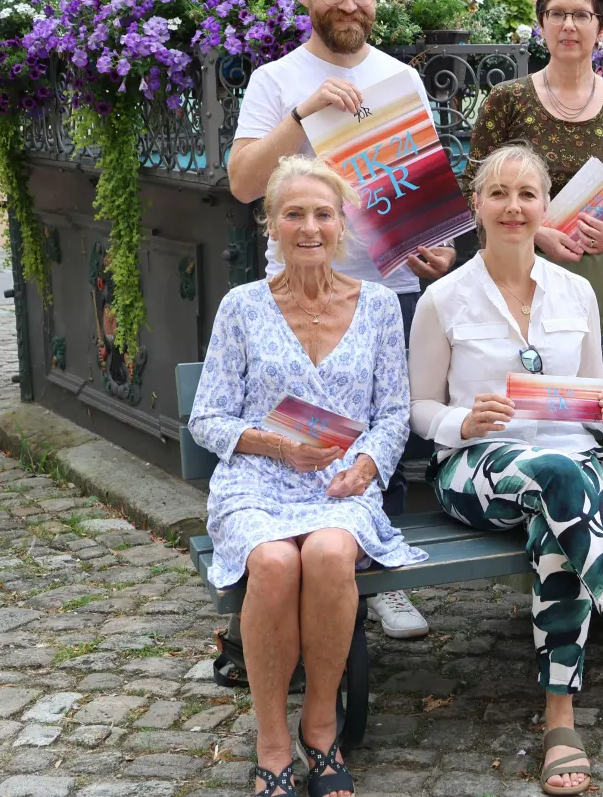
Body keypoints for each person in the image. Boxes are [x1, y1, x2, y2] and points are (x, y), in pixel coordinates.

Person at [409, 145, 603, 795]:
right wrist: (462, 424)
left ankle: (561, 718)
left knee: (561, 510)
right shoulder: (444, 299)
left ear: (546, 205)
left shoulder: (576, 291)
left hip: (567, 468)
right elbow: (419, 409)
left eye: (527, 194)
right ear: (477, 206)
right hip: (475, 469)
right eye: (499, 193)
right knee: (561, 479)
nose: (514, 206)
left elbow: (596, 407)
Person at [226, 0, 445, 640]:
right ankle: (286, 571)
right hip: (295, 300)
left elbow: (419, 191)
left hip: (386, 293)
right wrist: (303, 115)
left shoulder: (402, 79)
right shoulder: (275, 80)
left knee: (389, 438)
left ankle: (376, 578)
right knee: (302, 434)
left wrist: (433, 252)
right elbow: (242, 185)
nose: (348, 3)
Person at [190, 157, 428, 797]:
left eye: (323, 213)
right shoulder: (242, 307)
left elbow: (392, 412)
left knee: (327, 555)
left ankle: (320, 726)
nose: (309, 227)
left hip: (341, 481)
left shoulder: (378, 305)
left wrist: (368, 464)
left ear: (343, 224)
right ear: (270, 223)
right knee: (272, 564)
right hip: (258, 480)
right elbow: (207, 417)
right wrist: (271, 444)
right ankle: (272, 740)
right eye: (293, 213)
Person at [468, 0, 603, 334]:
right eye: (557, 14)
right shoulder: (507, 100)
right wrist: (535, 231)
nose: (568, 25)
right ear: (542, 24)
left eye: (582, 15)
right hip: (519, 268)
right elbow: (471, 188)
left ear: (602, 29)